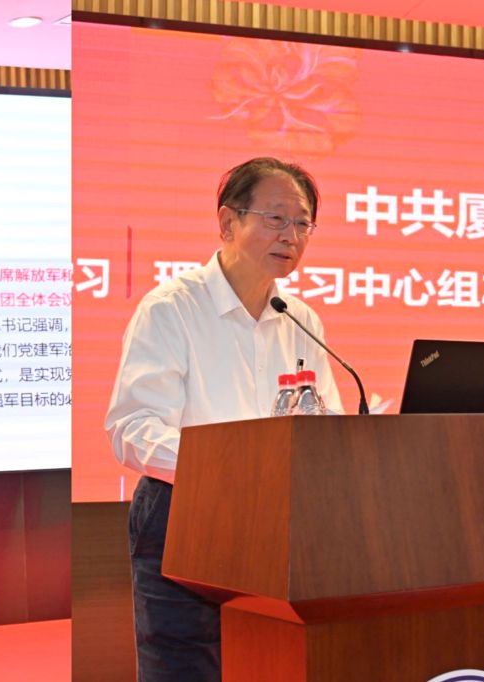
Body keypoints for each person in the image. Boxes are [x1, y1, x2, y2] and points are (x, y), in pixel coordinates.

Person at [102, 157, 345, 681]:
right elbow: (133, 429)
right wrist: (230, 469)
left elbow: (328, 425)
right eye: (275, 218)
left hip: (279, 528)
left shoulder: (301, 319)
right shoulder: (171, 309)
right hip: (187, 517)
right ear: (228, 222)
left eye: (303, 223)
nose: (291, 236)